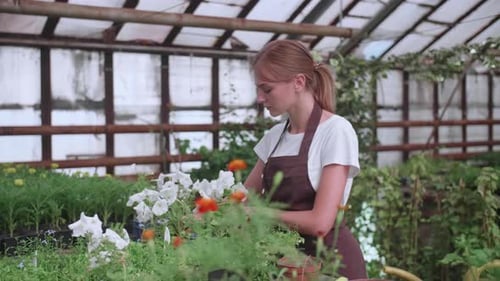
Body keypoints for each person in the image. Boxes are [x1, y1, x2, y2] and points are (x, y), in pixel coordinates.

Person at [243, 39, 367, 279]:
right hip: (284, 265)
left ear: (299, 82)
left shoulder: (335, 131)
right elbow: (243, 197)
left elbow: (321, 222)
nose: (260, 98)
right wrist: (208, 209)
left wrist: (260, 214)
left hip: (331, 266)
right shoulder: (274, 136)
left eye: (267, 89)